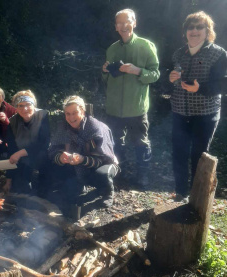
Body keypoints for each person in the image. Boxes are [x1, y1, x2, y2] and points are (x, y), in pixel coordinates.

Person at [169, 11, 227, 202]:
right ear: (185, 31)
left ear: (207, 30)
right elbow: (169, 78)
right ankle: (180, 193)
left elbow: (222, 84)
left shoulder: (218, 53)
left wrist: (200, 88)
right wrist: (170, 78)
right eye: (190, 27)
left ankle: (196, 197)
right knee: (179, 153)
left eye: (199, 27)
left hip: (205, 114)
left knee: (199, 155)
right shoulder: (179, 53)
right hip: (179, 112)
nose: (194, 31)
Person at [102, 8, 160, 187]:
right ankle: (119, 174)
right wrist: (105, 71)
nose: (123, 26)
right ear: (115, 27)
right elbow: (106, 79)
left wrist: (137, 71)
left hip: (136, 107)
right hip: (114, 108)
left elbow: (155, 74)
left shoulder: (146, 45)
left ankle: (142, 177)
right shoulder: (112, 49)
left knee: (140, 142)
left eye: (127, 22)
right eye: (119, 23)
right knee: (115, 142)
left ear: (134, 23)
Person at [48, 96, 118, 215]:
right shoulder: (63, 127)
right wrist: (60, 156)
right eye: (67, 114)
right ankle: (79, 186)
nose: (71, 118)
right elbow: (52, 149)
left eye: (75, 113)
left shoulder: (95, 128)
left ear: (83, 112)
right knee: (57, 174)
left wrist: (82, 159)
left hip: (104, 162)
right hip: (77, 164)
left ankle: (107, 192)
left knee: (102, 175)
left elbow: (102, 158)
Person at [2, 90, 50, 194]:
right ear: (16, 108)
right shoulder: (12, 122)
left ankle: (44, 182)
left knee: (44, 190)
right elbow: (11, 150)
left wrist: (20, 153)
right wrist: (8, 181)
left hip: (39, 155)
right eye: (20, 106)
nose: (25, 109)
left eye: (28, 104)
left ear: (33, 104)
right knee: (20, 188)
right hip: (22, 159)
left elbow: (44, 143)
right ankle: (24, 180)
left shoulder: (43, 116)